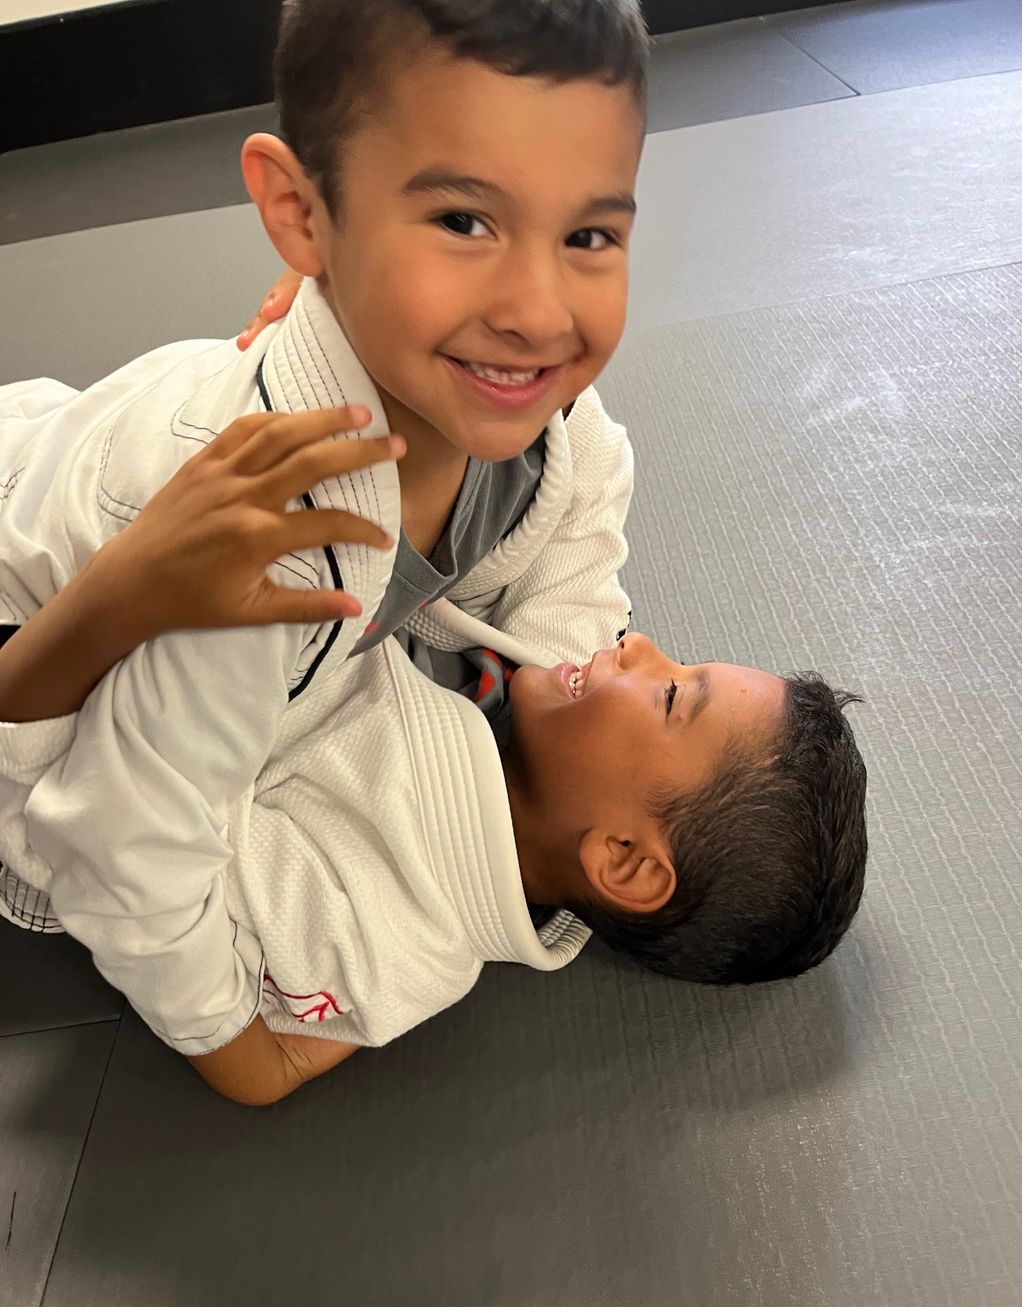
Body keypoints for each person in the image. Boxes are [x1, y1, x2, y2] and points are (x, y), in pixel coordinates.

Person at [0, 1, 649, 1061]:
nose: (538, 312)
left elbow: (572, 627)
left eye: (588, 234)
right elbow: (113, 848)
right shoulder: (266, 565)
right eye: (463, 222)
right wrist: (234, 1042)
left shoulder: (566, 450)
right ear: (300, 211)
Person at [0, 425, 868, 1107]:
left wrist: (231, 1046)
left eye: (674, 696)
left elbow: (128, 854)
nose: (639, 647)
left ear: (625, 861)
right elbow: (585, 465)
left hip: (47, 652)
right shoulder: (562, 689)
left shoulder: (396, 930)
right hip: (69, 464)